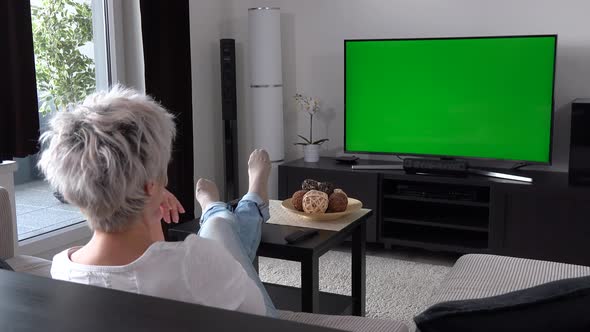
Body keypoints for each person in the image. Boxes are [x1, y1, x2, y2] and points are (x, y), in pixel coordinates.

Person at [39, 86, 277, 317]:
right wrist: (148, 206)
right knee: (219, 229)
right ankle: (230, 207)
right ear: (151, 185)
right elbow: (257, 313)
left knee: (219, 228)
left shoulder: (61, 269)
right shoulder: (195, 262)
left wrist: (147, 207)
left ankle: (229, 206)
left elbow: (150, 265)